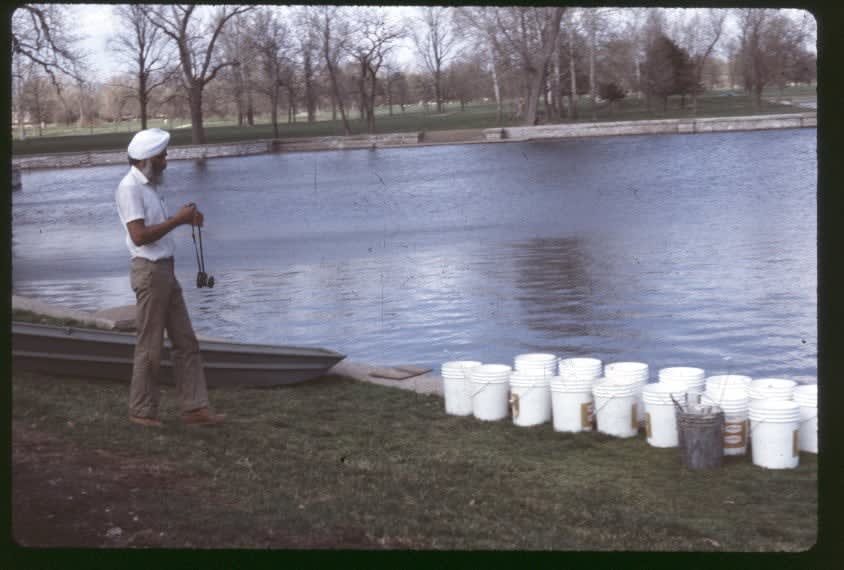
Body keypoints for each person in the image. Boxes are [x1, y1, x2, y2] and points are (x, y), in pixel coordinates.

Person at [115, 128, 225, 427]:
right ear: (147, 159)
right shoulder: (129, 188)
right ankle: (141, 411)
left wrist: (185, 220)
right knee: (149, 345)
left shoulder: (149, 187)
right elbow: (139, 236)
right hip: (150, 273)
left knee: (186, 341)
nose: (166, 161)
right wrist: (177, 220)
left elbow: (155, 229)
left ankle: (194, 408)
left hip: (165, 271)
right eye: (162, 156)